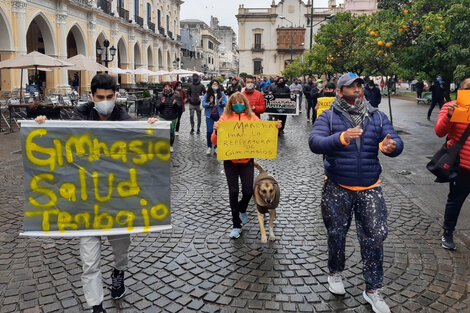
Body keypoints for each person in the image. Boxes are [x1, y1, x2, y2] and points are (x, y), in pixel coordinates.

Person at [34, 73, 158, 313]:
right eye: (100, 97)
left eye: (109, 97)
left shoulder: (126, 120)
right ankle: (96, 306)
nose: (105, 101)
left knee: (121, 251)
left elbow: (149, 146)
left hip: (118, 201)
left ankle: (118, 271)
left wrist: (153, 128)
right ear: (92, 97)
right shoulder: (79, 117)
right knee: (89, 261)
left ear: (116, 96)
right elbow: (58, 140)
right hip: (87, 202)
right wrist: (41, 125)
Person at [309, 73, 403, 313]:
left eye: (359, 85)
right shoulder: (328, 116)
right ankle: (335, 273)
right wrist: (341, 138)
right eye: (351, 87)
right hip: (337, 185)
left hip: (370, 186)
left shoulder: (377, 117)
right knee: (336, 233)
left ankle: (372, 289)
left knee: (375, 236)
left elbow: (395, 141)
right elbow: (314, 142)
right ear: (339, 92)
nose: (357, 90)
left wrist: (391, 147)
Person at [211, 92, 281, 238]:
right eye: (235, 102)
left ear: (245, 103)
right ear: (230, 104)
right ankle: (236, 224)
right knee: (233, 192)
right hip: (230, 161)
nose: (238, 104)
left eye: (241, 102)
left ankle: (242, 208)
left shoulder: (251, 117)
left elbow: (263, 132)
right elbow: (214, 141)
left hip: (247, 161)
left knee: (248, 191)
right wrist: (216, 131)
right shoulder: (225, 118)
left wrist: (275, 127)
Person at [435, 76, 470, 250]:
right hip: (462, 165)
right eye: (469, 87)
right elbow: (439, 132)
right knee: (455, 201)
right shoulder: (450, 106)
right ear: (461, 90)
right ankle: (448, 232)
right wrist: (450, 116)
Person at [202, 80, 227, 155]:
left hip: (219, 116)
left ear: (218, 85)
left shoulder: (222, 94)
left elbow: (225, 103)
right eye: (214, 84)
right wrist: (210, 103)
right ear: (211, 85)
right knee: (209, 131)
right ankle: (209, 146)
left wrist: (220, 102)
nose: (215, 85)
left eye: (216, 84)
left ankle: (216, 146)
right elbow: (203, 104)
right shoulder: (207, 94)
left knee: (218, 132)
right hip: (209, 115)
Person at [157, 82, 180, 152]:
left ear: (171, 88)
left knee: (171, 132)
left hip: (172, 117)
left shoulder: (176, 96)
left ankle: (170, 145)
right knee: (163, 132)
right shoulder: (160, 96)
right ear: (163, 88)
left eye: (168, 87)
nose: (167, 88)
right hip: (163, 116)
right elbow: (157, 107)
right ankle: (163, 145)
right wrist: (162, 103)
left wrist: (175, 104)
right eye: (165, 87)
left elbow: (179, 108)